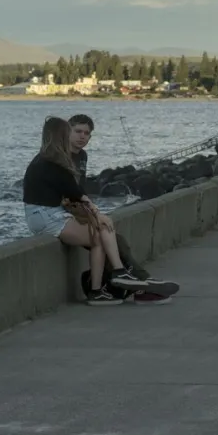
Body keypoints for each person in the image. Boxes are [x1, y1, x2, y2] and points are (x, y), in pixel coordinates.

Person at [23, 116, 147, 306]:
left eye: (86, 133)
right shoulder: (52, 162)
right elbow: (75, 192)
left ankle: (103, 286)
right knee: (103, 232)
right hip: (45, 215)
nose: (78, 137)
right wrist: (97, 214)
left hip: (50, 213)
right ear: (60, 136)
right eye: (70, 133)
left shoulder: (49, 159)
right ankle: (115, 277)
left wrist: (94, 214)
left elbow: (73, 191)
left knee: (100, 236)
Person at [67, 114, 179, 305]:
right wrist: (93, 214)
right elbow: (68, 191)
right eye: (78, 131)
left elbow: (79, 189)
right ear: (67, 131)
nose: (82, 136)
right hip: (61, 215)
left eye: (86, 133)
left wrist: (91, 212)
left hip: (76, 210)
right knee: (111, 238)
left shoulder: (81, 156)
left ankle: (137, 283)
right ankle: (143, 283)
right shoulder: (61, 156)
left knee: (116, 239)